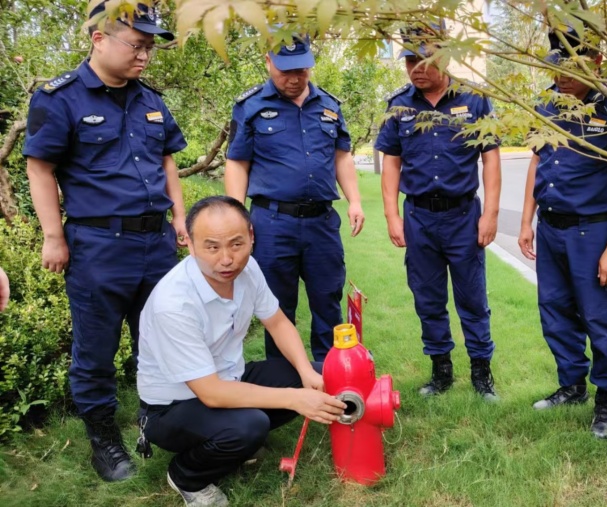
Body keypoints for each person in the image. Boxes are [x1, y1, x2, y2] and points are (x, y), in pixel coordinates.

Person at [23, 2, 187, 481]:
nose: (144, 56)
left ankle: (156, 420)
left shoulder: (150, 99)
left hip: (156, 242)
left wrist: (180, 217)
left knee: (158, 339)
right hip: (98, 246)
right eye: (136, 46)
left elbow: (168, 160)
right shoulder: (61, 98)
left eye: (150, 48)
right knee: (96, 350)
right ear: (99, 39)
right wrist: (53, 236)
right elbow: (40, 168)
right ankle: (103, 440)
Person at [137, 196, 346, 507]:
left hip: (228, 377)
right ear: (190, 245)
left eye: (236, 244)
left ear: (251, 236)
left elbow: (278, 322)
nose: (227, 259)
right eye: (212, 247)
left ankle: (237, 441)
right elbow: (211, 393)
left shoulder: (248, 270)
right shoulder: (174, 304)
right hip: (171, 406)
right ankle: (186, 475)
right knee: (251, 426)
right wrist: (295, 398)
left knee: (315, 373)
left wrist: (304, 372)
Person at [517, 29, 607, 438]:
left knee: (600, 320)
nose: (562, 75)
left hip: (593, 234)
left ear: (595, 61)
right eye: (556, 66)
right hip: (551, 229)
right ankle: (572, 385)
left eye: (571, 67)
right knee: (555, 313)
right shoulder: (546, 103)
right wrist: (526, 222)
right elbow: (537, 162)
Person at [375, 25, 501, 401]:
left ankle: (481, 372)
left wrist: (490, 214)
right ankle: (441, 370)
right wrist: (392, 216)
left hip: (464, 217)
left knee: (472, 298)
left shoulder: (475, 100)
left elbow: (491, 159)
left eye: (423, 60)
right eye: (409, 61)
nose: (415, 69)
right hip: (419, 218)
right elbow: (391, 163)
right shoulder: (399, 105)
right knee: (427, 298)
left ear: (444, 56)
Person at [225, 34, 364, 363]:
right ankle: (284, 378)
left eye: (301, 70)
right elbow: (237, 163)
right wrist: (237, 217)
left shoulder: (329, 106)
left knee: (327, 299)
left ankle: (331, 372)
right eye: (285, 70)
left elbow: (342, 156)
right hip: (272, 223)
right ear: (268, 62)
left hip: (321, 223)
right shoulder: (250, 106)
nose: (294, 78)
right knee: (276, 305)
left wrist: (355, 200)